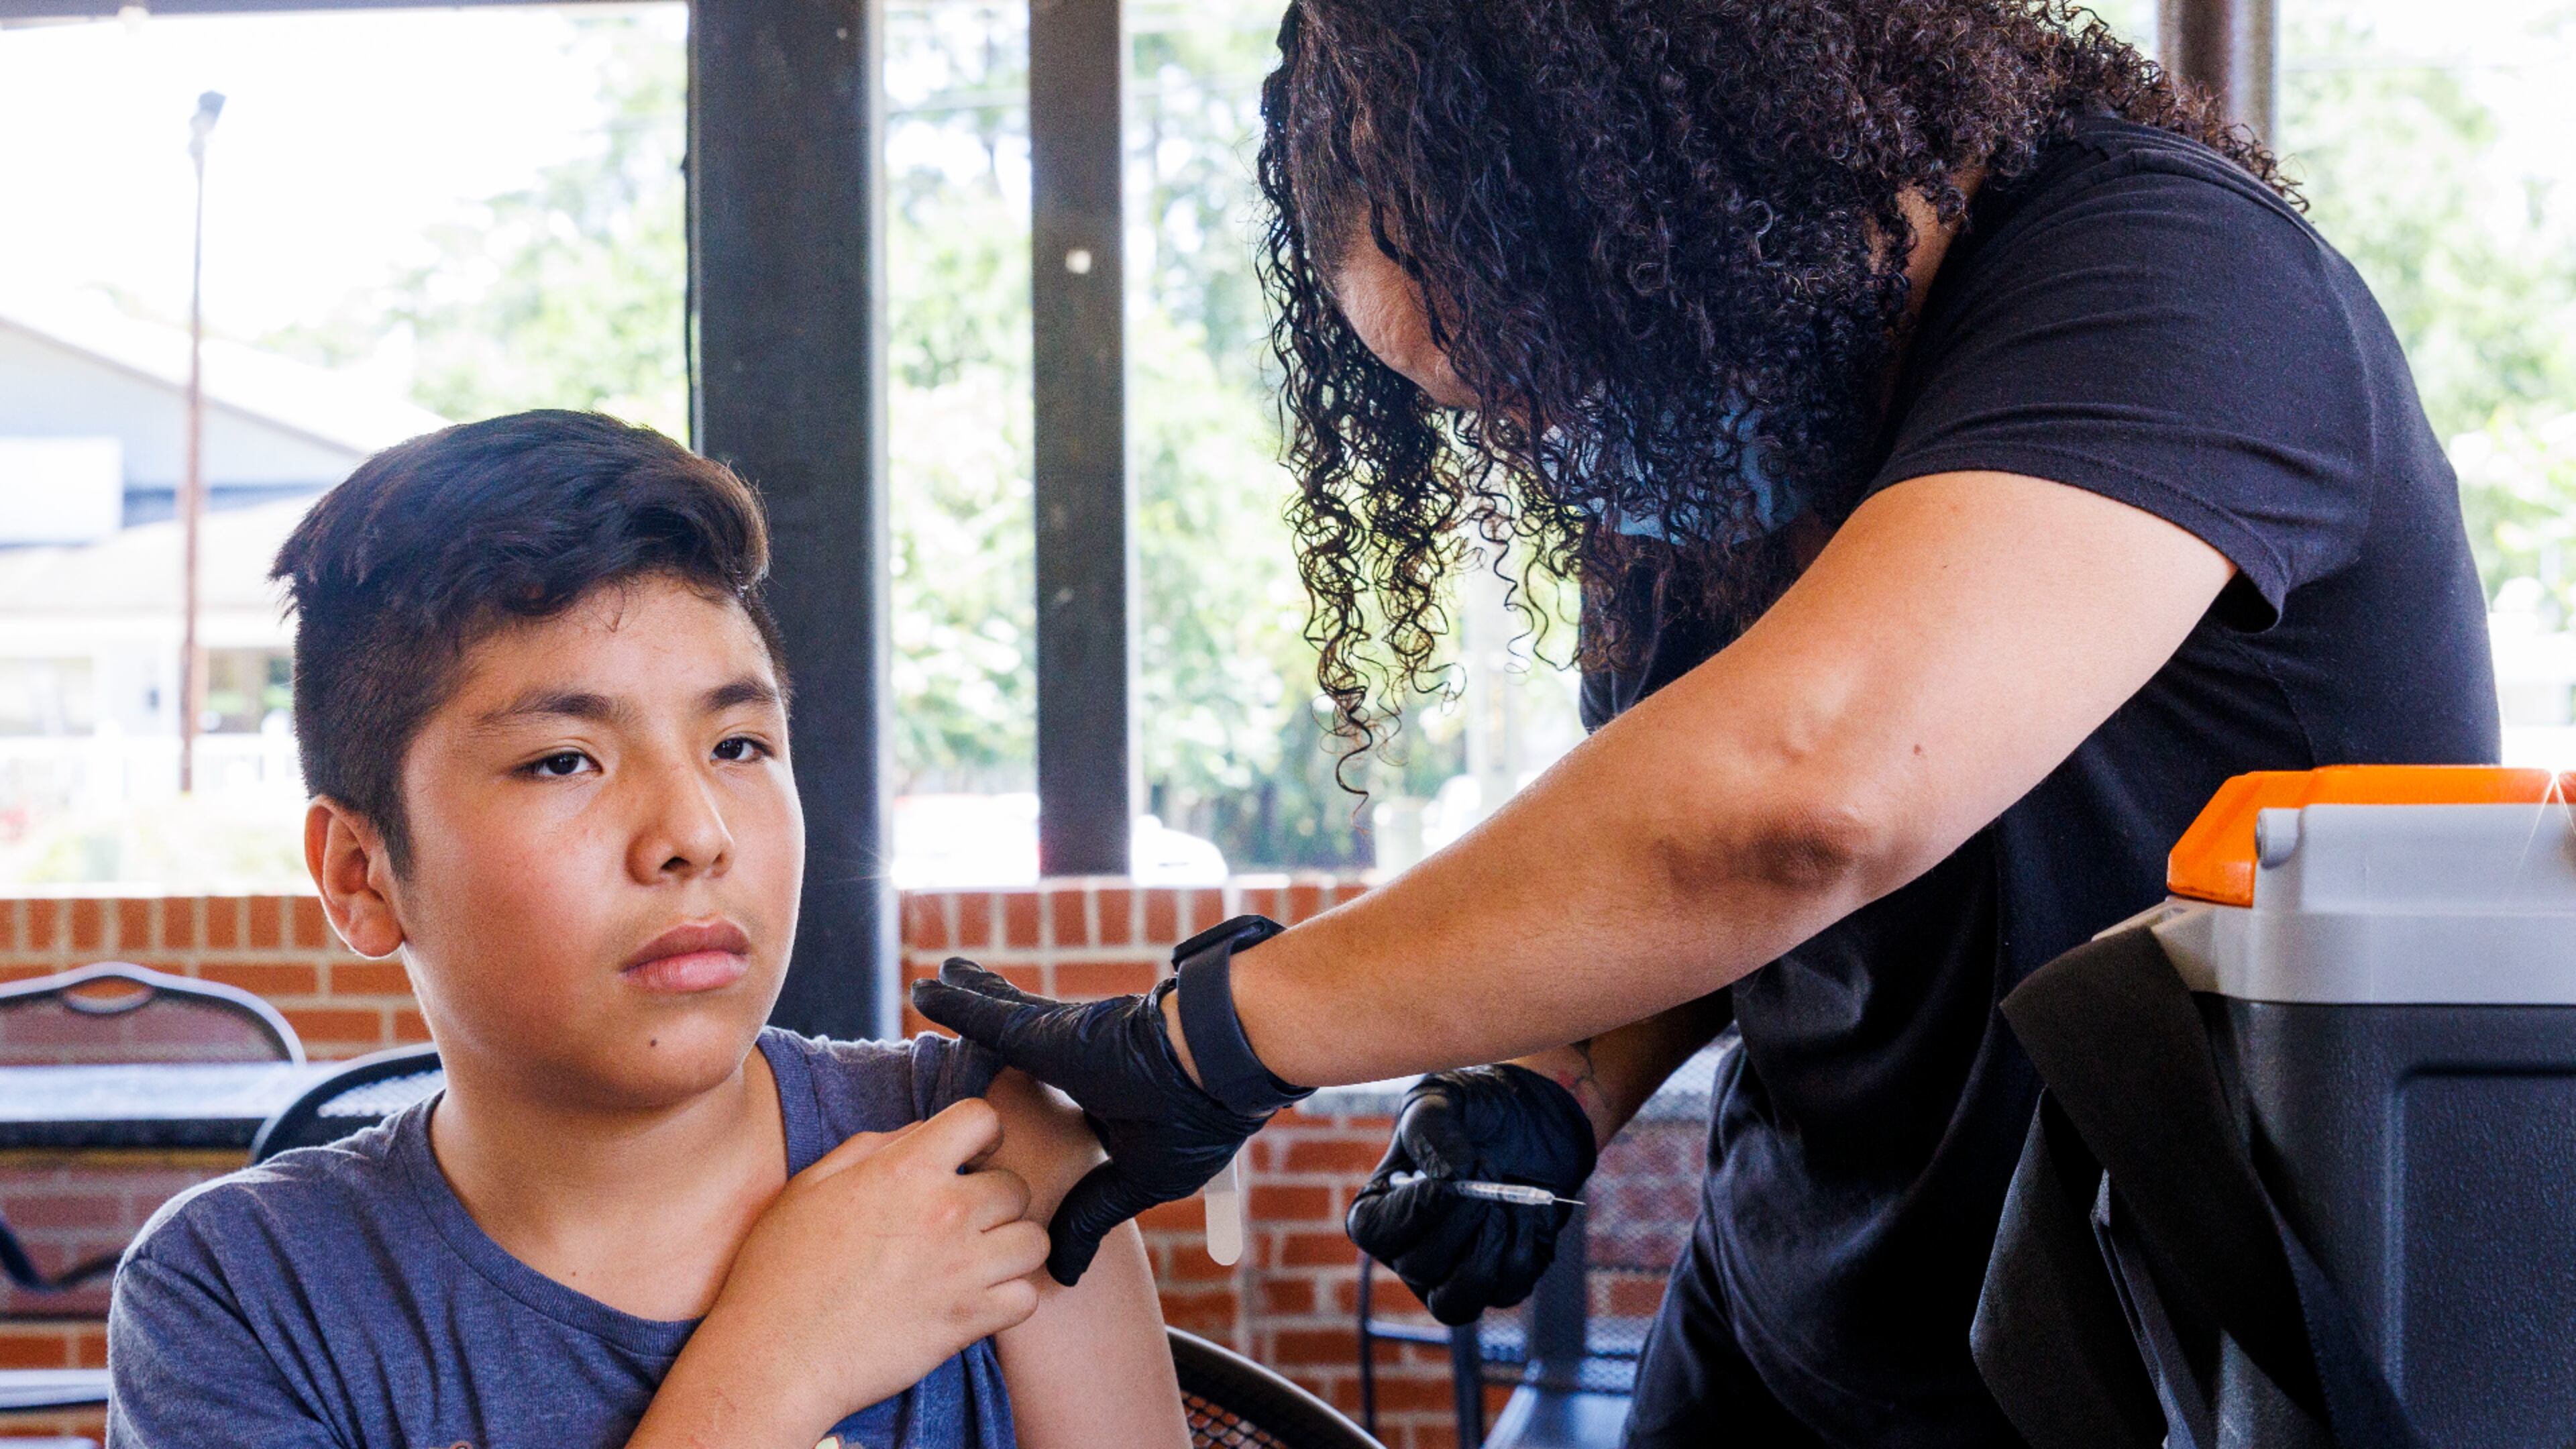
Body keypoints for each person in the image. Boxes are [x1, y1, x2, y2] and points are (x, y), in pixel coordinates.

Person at [912, 1, 2501, 1444]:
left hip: (2171, 1371)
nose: (1543, 447)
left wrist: (1214, 1039)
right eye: (1489, 411)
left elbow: (1802, 801)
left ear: (1692, 198)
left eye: (1543, 374)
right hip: (1790, 1331)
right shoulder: (1740, 422)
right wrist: (1551, 1082)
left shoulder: (2173, 283)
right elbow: (1686, 860)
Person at [105, 412, 1189, 1449]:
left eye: (738, 746)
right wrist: (775, 1368)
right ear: (361, 874)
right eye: (564, 760)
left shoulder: (981, 1151)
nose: (695, 834)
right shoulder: (244, 1296)